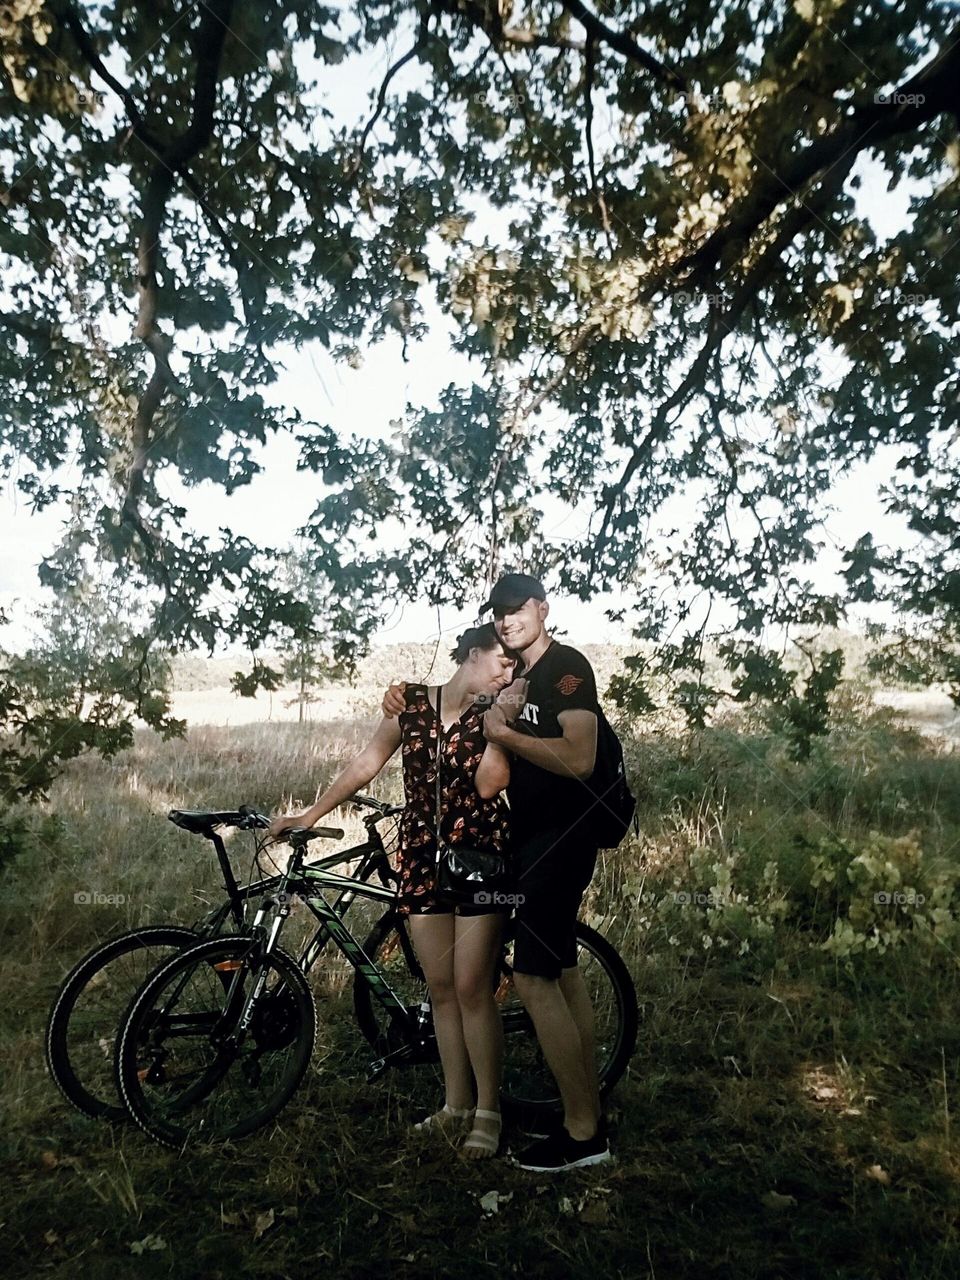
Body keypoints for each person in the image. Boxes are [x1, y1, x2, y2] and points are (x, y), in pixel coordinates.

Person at [381, 572, 610, 1171]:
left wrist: (501, 733)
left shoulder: (566, 667)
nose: (509, 623)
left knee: (533, 980)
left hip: (559, 838)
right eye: (499, 615)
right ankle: (586, 1108)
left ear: (542, 608)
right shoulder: (519, 679)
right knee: (560, 972)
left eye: (518, 612)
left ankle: (583, 1134)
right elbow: (445, 714)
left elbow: (581, 758)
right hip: (533, 839)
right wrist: (407, 695)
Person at [270, 623, 525, 1160]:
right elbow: (367, 763)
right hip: (421, 856)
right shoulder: (408, 703)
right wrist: (309, 814)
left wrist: (504, 717)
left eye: (515, 666)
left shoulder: (496, 715)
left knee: (474, 986)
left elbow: (491, 784)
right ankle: (455, 1104)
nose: (509, 670)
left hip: (481, 858)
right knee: (440, 986)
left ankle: (488, 1111)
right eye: (503, 660)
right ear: (472, 651)